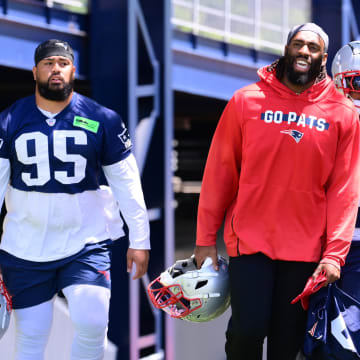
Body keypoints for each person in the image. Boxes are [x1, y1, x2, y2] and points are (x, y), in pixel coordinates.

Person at [193, 23, 360, 360]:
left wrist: (334, 254)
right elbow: (219, 174)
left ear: (323, 58)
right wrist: (204, 239)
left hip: (305, 250)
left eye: (313, 48)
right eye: (298, 44)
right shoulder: (246, 101)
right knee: (247, 331)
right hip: (250, 242)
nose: (304, 52)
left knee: (287, 345)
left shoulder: (343, 115)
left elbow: (345, 191)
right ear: (286, 49)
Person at [0, 39, 150, 359]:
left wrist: (140, 239)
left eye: (62, 63)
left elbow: (126, 182)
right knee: (30, 336)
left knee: (93, 321)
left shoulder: (102, 119)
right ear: (34, 71)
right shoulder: (9, 121)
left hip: (85, 240)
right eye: (48, 63)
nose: (56, 69)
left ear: (73, 70)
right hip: (25, 245)